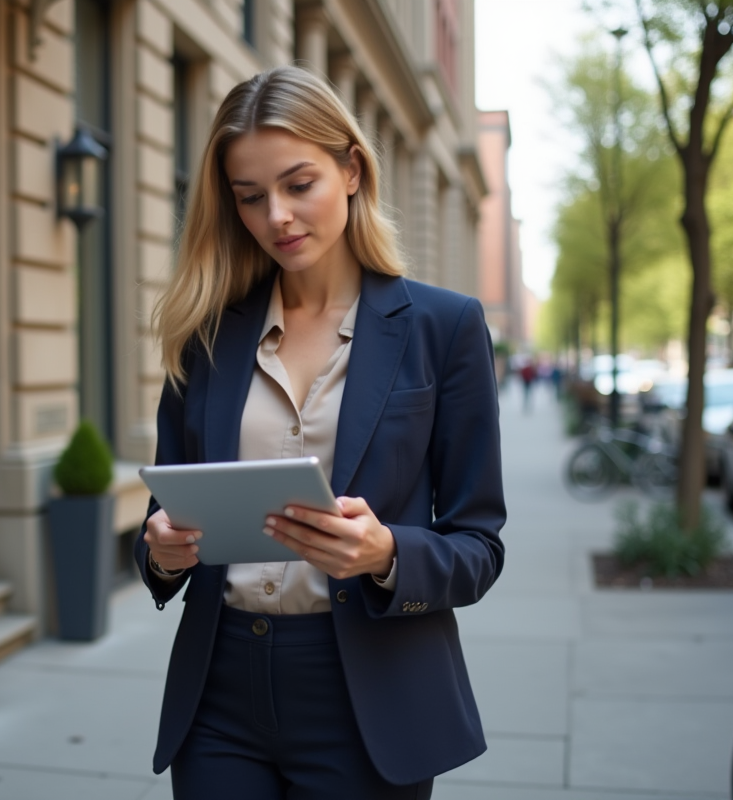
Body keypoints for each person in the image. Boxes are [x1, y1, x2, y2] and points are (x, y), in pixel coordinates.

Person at [135, 66, 506, 799]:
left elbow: (479, 546)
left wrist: (386, 552)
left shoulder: (444, 328)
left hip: (368, 696)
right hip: (220, 694)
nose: (276, 215)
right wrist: (162, 550)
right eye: (249, 196)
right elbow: (161, 524)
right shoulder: (205, 337)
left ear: (352, 169)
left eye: (298, 183)